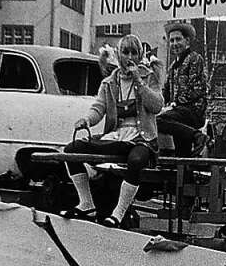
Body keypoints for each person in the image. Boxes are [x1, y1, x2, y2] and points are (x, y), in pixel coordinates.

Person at [60, 34, 164, 228]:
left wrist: (139, 82)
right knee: (71, 150)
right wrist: (86, 120)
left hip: (142, 137)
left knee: (136, 160)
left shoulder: (148, 77)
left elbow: (157, 106)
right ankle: (86, 203)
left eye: (134, 52)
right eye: (126, 52)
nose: (130, 57)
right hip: (116, 136)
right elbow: (98, 108)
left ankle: (119, 211)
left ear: (140, 55)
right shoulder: (109, 82)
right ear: (119, 55)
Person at [157, 20, 208, 156]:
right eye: (172, 40)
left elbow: (198, 89)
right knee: (182, 154)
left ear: (187, 41)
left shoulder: (195, 59)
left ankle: (197, 136)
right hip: (179, 114)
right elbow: (165, 92)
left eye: (178, 39)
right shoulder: (173, 66)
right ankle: (185, 175)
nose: (174, 44)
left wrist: (175, 104)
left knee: (160, 121)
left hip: (193, 111)